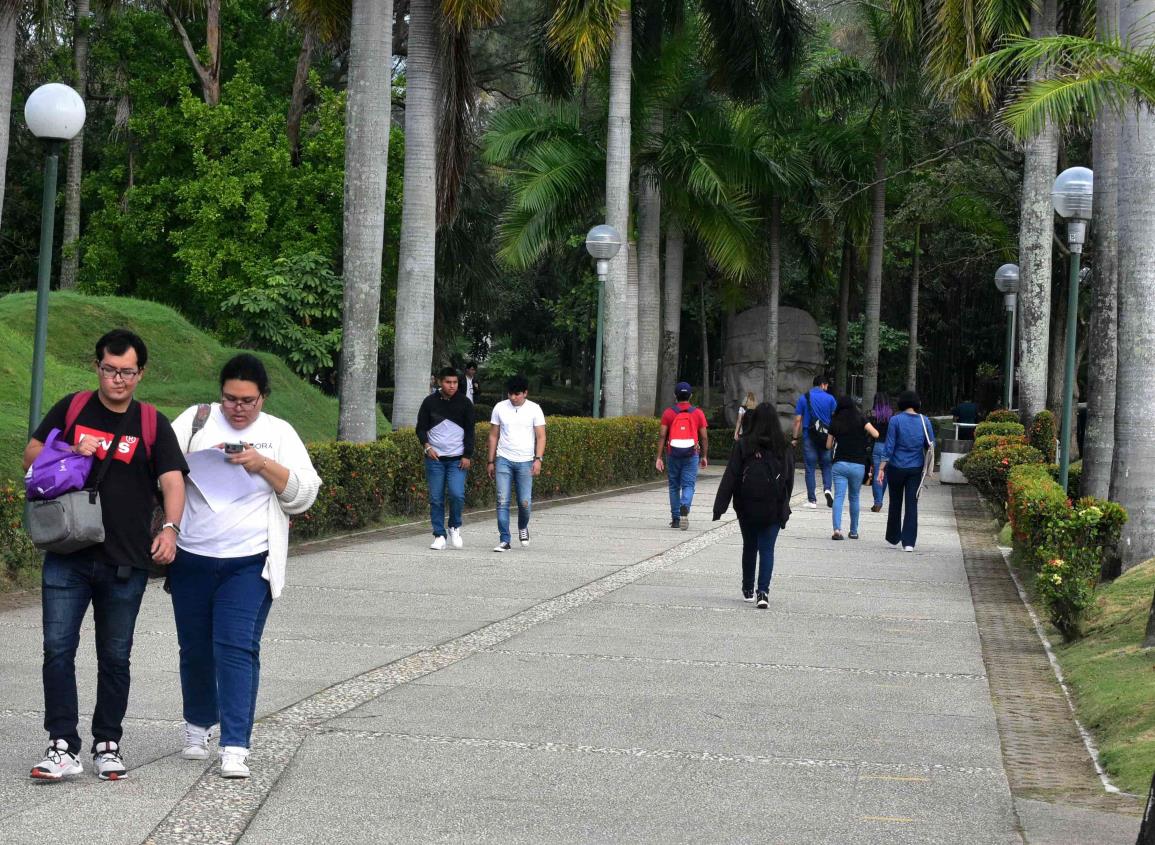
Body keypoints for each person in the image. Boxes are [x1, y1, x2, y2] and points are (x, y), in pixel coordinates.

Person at [24, 329, 188, 781]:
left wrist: (171, 529)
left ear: (141, 373)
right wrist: (70, 447)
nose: (118, 379)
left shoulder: (152, 422)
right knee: (57, 650)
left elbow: (173, 480)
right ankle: (62, 746)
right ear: (96, 366)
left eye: (128, 372)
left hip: (125, 560)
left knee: (115, 656)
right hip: (67, 553)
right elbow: (30, 456)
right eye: (111, 369)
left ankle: (107, 743)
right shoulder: (74, 408)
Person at [168, 354, 321, 779]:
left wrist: (262, 464)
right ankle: (198, 724)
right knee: (195, 648)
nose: (238, 408)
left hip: (250, 562)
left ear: (263, 398)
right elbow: (160, 465)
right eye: (231, 399)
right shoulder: (196, 420)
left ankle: (235, 744)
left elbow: (305, 493)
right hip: (193, 556)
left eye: (248, 401)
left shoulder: (278, 432)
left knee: (236, 647)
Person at [712, 403, 795, 609]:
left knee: (750, 546)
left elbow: (731, 475)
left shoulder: (743, 444)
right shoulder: (783, 446)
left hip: (746, 505)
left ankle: (748, 588)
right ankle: (763, 592)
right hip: (773, 507)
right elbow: (788, 479)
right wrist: (784, 502)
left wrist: (720, 506)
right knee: (767, 549)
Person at [416, 367, 475, 550]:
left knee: (457, 494)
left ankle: (454, 526)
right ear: (440, 382)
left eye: (455, 382)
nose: (452, 386)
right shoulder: (429, 402)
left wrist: (467, 455)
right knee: (436, 498)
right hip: (435, 459)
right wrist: (427, 447)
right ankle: (439, 535)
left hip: (457, 459)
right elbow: (420, 428)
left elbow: (470, 432)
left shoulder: (465, 403)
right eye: (448, 382)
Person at [486, 374, 547, 552]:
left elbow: (541, 436)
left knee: (524, 502)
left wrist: (538, 459)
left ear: (525, 393)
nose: (513, 398)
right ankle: (504, 539)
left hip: (526, 461)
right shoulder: (499, 407)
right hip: (503, 459)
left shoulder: (535, 409)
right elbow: (493, 435)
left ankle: (522, 526)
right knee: (502, 500)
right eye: (510, 394)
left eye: (517, 394)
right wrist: (491, 460)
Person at [877, 390, 936, 552]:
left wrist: (881, 467)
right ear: (917, 403)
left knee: (895, 502)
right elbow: (931, 444)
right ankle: (909, 542)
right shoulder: (925, 421)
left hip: (895, 467)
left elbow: (889, 446)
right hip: (915, 469)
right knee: (912, 504)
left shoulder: (895, 420)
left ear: (902, 403)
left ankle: (893, 538)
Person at [655, 381, 709, 530]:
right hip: (692, 453)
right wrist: (704, 456)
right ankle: (685, 505)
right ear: (690, 395)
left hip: (673, 453)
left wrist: (658, 457)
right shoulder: (697, 413)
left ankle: (676, 519)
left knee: (674, 486)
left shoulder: (668, 413)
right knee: (688, 485)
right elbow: (704, 437)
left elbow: (662, 435)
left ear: (675, 396)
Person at [826, 396, 880, 541]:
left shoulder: (835, 421)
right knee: (854, 497)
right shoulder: (861, 419)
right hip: (858, 464)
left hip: (840, 464)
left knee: (838, 497)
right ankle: (854, 531)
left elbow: (828, 446)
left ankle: (837, 530)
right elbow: (876, 433)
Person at [790, 375, 837, 509]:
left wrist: (794, 438)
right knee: (827, 465)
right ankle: (827, 489)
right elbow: (835, 419)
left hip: (809, 436)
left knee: (810, 468)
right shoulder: (830, 399)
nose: (827, 388)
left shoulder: (804, 397)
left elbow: (798, 420)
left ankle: (812, 500)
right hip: (826, 437)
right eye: (827, 385)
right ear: (822, 384)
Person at [867, 392, 894, 513]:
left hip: (877, 446)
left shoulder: (872, 415)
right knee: (885, 475)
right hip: (889, 447)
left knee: (877, 474)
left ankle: (877, 502)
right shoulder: (892, 416)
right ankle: (879, 501)